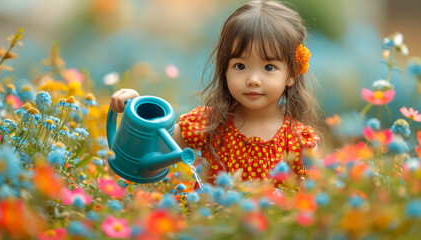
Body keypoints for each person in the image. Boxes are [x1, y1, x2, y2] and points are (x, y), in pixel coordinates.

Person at [110, 0, 324, 188]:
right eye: (240, 66)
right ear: (225, 69)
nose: (253, 79)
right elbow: (146, 155)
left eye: (268, 67)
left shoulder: (298, 142)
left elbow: (316, 201)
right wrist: (134, 110)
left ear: (292, 74)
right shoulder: (211, 123)